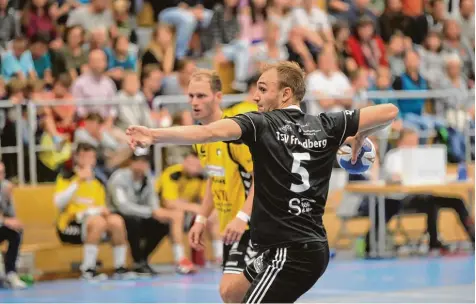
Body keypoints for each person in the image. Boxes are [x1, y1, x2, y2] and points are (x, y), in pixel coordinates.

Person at [126, 61, 399, 302]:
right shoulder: (325, 125)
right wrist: (361, 134)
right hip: (300, 247)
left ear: (285, 93)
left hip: (290, 252)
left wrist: (153, 134)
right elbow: (389, 111)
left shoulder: (261, 125)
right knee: (232, 292)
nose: (256, 96)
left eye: (263, 89)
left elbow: (208, 132)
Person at [165, 69, 259, 303]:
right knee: (236, 296)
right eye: (191, 96)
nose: (194, 102)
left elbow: (262, 179)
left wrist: (242, 217)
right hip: (231, 229)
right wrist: (201, 218)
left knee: (231, 292)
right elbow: (214, 178)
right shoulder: (202, 139)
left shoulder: (234, 133)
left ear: (218, 97)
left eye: (202, 96)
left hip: (253, 228)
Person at [107, 153, 196, 275]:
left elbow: (152, 200)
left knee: (162, 223)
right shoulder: (119, 178)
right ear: (131, 163)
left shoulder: (148, 178)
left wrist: (156, 212)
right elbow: (122, 206)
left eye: (144, 162)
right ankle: (135, 261)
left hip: (142, 214)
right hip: (120, 214)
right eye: (138, 162)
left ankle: (143, 259)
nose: (141, 166)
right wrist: (151, 212)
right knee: (133, 222)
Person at [54, 143, 131, 280]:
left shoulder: (98, 181)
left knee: (116, 221)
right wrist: (78, 181)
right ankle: (88, 269)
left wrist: (104, 211)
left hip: (95, 219)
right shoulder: (67, 176)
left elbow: (100, 206)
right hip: (70, 225)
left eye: (91, 157)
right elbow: (58, 203)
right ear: (76, 157)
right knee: (98, 222)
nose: (88, 160)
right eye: (84, 156)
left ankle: (120, 268)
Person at [156, 151, 223, 264]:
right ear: (185, 162)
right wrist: (193, 207)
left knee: (213, 214)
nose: (195, 168)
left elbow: (205, 201)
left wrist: (198, 209)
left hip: (188, 210)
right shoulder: (173, 174)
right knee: (178, 215)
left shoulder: (202, 177)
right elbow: (169, 203)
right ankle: (180, 259)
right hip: (162, 210)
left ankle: (220, 257)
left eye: (198, 165)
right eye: (192, 164)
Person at [0, 162, 26, 289]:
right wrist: (5, 221)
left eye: (2, 173)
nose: (1, 176)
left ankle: (11, 273)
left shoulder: (5, 187)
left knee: (16, 231)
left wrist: (8, 198)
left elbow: (11, 216)